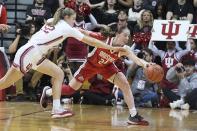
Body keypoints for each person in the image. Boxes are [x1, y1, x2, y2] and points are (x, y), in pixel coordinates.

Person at [0, 7, 123, 118]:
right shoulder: (67, 28)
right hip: (30, 53)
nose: (74, 22)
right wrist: (110, 48)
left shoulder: (52, 20)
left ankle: (56, 108)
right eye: (73, 19)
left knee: (58, 73)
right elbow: (91, 41)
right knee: (5, 82)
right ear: (67, 17)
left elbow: (52, 28)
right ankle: (56, 108)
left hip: (33, 53)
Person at [40, 26, 150, 125]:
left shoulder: (124, 49)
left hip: (107, 67)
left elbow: (136, 59)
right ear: (117, 34)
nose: (127, 38)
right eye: (125, 35)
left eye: (128, 36)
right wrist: (67, 29)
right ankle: (48, 92)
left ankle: (133, 115)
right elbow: (84, 32)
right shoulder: (103, 38)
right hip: (90, 65)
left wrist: (145, 64)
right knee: (70, 89)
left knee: (125, 84)